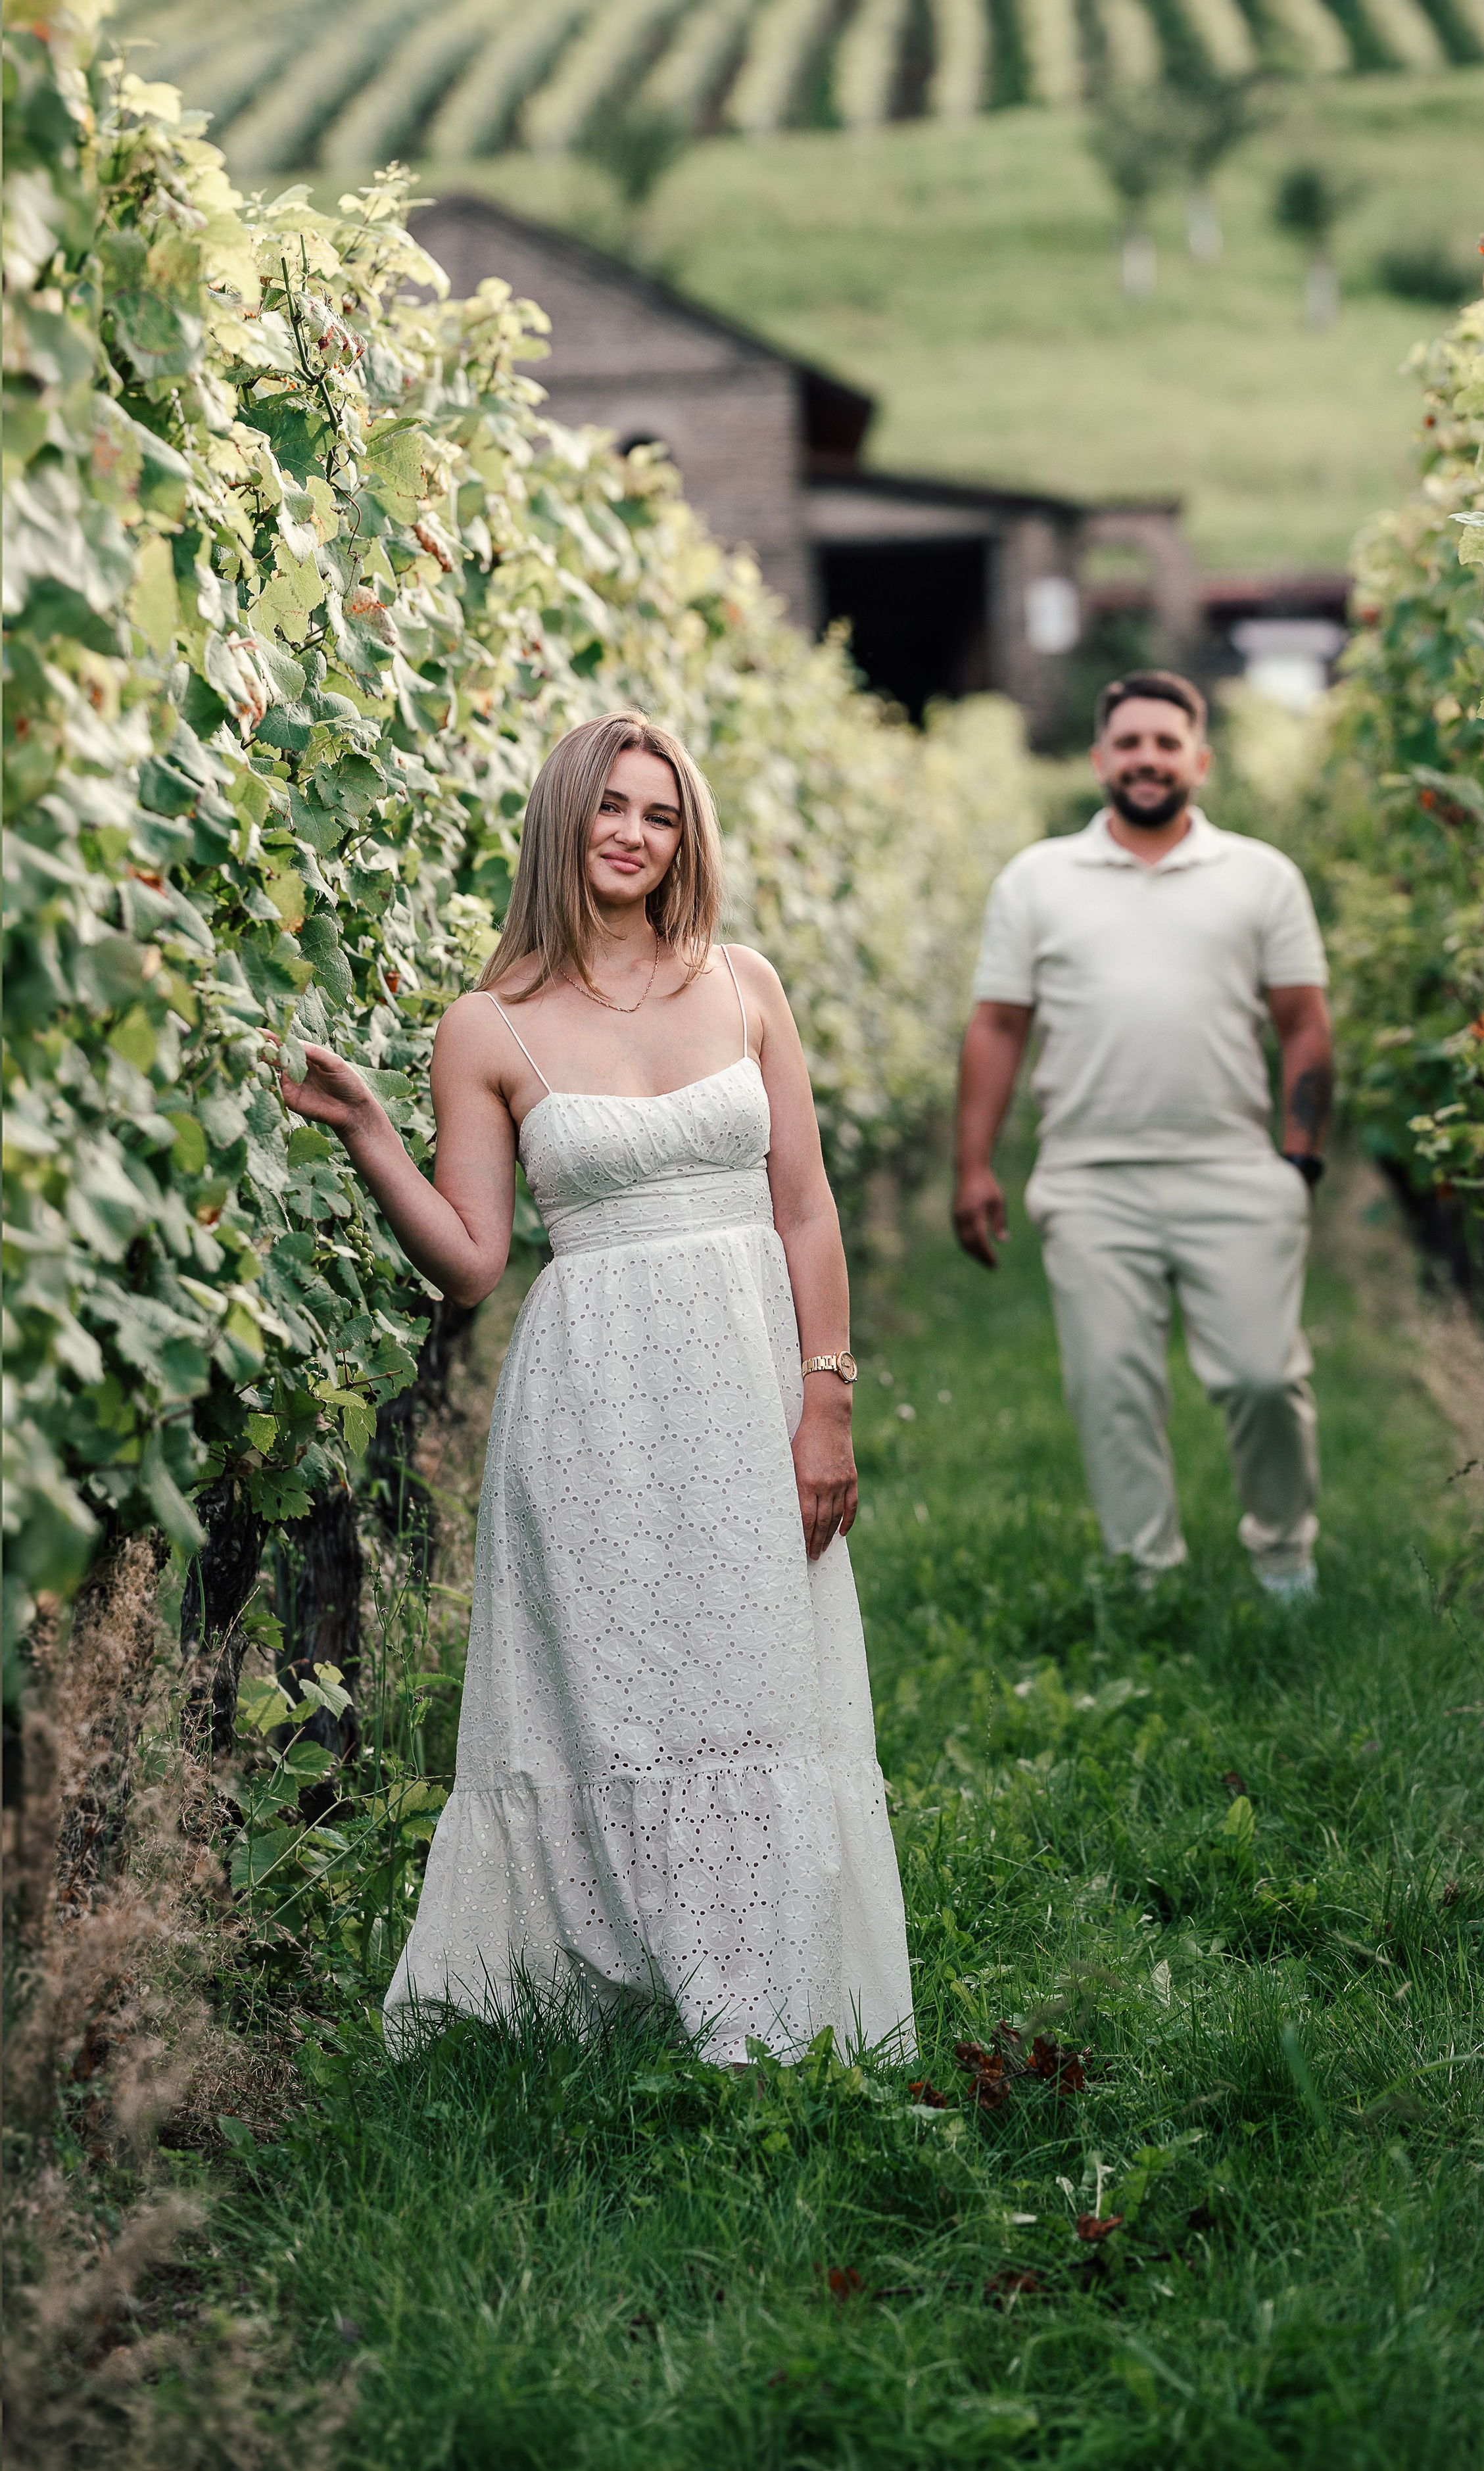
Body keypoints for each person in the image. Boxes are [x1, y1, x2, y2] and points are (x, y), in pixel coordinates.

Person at [279, 709, 913, 2063]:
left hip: (746, 1376)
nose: (634, 833)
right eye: (610, 806)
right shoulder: (488, 1023)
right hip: (593, 1399)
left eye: (661, 813)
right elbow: (471, 1261)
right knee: (616, 1688)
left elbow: (804, 1207)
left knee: (755, 1675)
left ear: (687, 837)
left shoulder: (744, 983)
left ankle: (766, 2000)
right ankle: (606, 1997)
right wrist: (374, 1138)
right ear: (562, 822)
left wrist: (827, 1397)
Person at [952, 671, 1333, 1599]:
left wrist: (1300, 1159)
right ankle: (1145, 1579)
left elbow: (1304, 1023)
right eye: (1129, 743)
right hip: (1089, 1179)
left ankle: (1285, 1559)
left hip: (1234, 1170)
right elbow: (997, 1025)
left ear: (1201, 760)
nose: (1148, 759)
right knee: (1110, 1389)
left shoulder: (1262, 876)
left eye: (1167, 743)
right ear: (1099, 760)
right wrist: (972, 1166)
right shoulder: (1037, 880)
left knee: (1262, 1379)